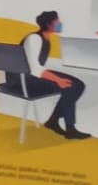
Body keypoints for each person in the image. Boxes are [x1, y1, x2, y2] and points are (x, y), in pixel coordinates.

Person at [5, 9, 89, 140]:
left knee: (78, 85)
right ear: (49, 24)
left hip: (30, 76)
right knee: (70, 86)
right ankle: (69, 128)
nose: (60, 23)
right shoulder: (34, 38)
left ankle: (53, 121)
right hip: (22, 80)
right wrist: (58, 80)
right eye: (57, 21)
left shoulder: (45, 38)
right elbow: (34, 68)